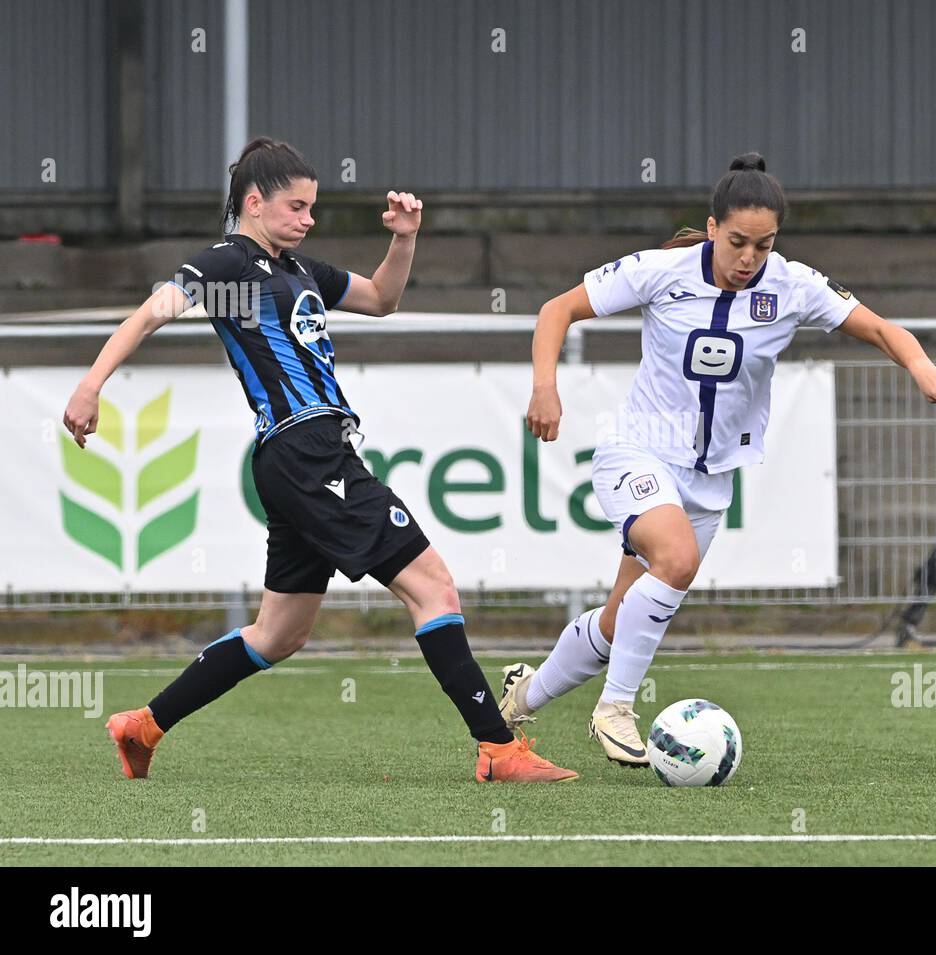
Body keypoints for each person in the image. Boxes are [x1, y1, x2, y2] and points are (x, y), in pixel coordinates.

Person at [62, 137, 576, 783]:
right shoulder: (228, 264)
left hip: (303, 455)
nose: (307, 219)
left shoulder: (299, 270)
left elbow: (382, 299)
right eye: (296, 206)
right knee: (433, 586)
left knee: (278, 634)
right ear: (254, 202)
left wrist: (404, 237)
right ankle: (498, 749)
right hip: (305, 450)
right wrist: (91, 385)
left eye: (312, 208)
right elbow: (149, 315)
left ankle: (143, 725)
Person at [496, 152, 936, 766]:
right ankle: (615, 709)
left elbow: (882, 330)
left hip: (710, 479)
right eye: (737, 242)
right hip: (638, 449)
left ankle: (522, 697)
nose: (749, 258)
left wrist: (922, 365)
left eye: (764, 244)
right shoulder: (660, 270)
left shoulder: (793, 284)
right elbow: (555, 310)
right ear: (713, 226)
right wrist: (545, 387)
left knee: (620, 623)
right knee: (675, 559)